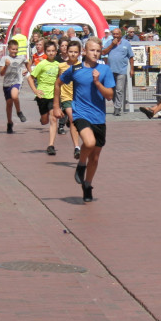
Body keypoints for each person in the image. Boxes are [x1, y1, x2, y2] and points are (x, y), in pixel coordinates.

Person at [54, 37, 114, 203]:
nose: (95, 53)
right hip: (80, 114)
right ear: (84, 52)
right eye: (92, 50)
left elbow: (109, 96)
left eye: (98, 51)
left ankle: (87, 185)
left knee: (94, 158)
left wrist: (97, 82)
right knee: (88, 142)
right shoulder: (76, 69)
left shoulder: (105, 70)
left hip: (99, 117)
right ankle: (81, 165)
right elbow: (58, 84)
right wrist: (56, 106)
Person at [29, 40, 62, 156]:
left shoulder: (58, 65)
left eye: (53, 51)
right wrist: (35, 90)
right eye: (49, 51)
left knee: (53, 118)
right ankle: (43, 118)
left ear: (56, 51)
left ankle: (51, 145)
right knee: (45, 121)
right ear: (45, 52)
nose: (51, 53)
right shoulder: (41, 64)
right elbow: (30, 78)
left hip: (54, 95)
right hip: (42, 95)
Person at [56, 40, 83, 158]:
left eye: (75, 52)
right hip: (66, 97)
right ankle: (77, 147)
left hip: (79, 97)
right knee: (73, 119)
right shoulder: (61, 66)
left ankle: (68, 121)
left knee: (77, 121)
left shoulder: (82, 66)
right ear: (66, 52)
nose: (73, 54)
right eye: (70, 52)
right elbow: (57, 83)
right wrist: (56, 102)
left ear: (79, 53)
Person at [101, 27, 134, 116]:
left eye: (117, 34)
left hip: (122, 70)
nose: (115, 36)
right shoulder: (109, 42)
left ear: (121, 34)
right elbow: (103, 53)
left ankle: (117, 108)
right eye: (114, 34)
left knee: (119, 90)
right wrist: (112, 45)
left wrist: (132, 69)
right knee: (112, 90)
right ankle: (116, 104)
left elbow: (131, 57)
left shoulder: (126, 43)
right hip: (110, 70)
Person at [0, 37, 29, 134]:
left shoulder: (20, 57)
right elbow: (1, 73)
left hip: (17, 81)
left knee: (15, 95)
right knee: (9, 104)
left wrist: (28, 70)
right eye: (13, 49)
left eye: (16, 49)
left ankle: (19, 112)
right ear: (8, 49)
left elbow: (27, 62)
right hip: (7, 83)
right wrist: (6, 65)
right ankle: (9, 122)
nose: (14, 51)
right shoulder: (5, 59)